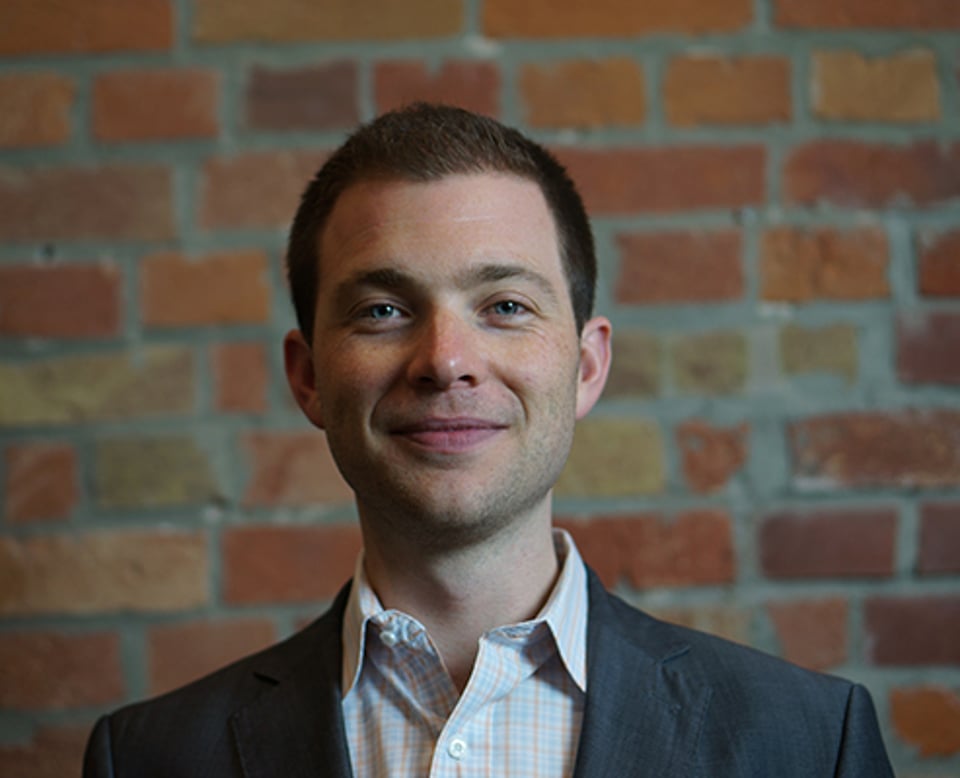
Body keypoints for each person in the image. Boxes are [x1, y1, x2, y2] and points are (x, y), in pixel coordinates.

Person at [83, 103, 894, 777]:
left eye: (504, 305)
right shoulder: (151, 758)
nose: (445, 361)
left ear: (585, 364)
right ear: (308, 379)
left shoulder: (810, 743)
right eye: (382, 310)